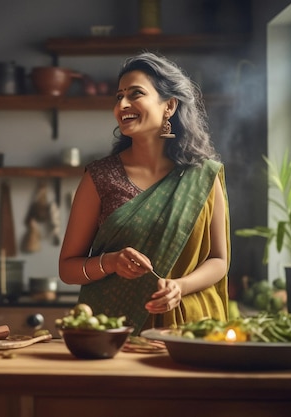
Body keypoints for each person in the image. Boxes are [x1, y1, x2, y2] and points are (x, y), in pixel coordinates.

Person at [58, 52, 230, 335]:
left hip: (191, 328)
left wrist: (179, 286)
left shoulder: (203, 176)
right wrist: (111, 262)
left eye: (135, 94)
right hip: (116, 330)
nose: (122, 104)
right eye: (118, 96)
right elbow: (67, 268)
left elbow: (218, 259)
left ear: (169, 106)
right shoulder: (100, 177)